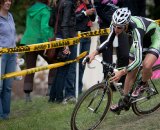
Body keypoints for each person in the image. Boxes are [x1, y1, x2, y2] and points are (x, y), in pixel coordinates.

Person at [86, 8, 160, 114]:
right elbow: (108, 42)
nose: (116, 29)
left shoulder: (136, 29)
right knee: (130, 71)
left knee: (146, 65)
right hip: (139, 41)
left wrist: (121, 72)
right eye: (115, 26)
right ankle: (125, 101)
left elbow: (138, 60)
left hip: (154, 38)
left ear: (126, 24)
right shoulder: (115, 23)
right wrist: (93, 54)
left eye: (119, 27)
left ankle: (143, 84)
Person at [20, 0, 56, 102]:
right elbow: (44, 28)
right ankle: (50, 89)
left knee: (30, 67)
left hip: (28, 41)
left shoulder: (30, 10)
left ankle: (27, 95)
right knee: (54, 62)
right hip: (39, 41)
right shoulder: (45, 10)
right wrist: (48, 44)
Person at [94, 0, 130, 90]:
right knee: (107, 56)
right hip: (106, 26)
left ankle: (121, 80)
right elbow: (98, 10)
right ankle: (108, 84)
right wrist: (112, 21)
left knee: (124, 55)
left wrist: (119, 23)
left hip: (121, 25)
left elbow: (124, 7)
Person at [49, 0, 77, 103]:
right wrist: (66, 44)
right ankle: (59, 99)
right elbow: (65, 24)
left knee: (60, 70)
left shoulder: (57, 2)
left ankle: (53, 97)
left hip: (59, 37)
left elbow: (51, 22)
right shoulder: (69, 3)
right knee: (64, 69)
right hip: (66, 38)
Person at [0, 0, 17, 120]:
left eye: (10, 0)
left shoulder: (10, 16)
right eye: (5, 0)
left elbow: (13, 36)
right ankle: (0, 115)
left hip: (12, 54)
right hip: (1, 55)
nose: (8, 2)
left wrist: (16, 53)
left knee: (8, 86)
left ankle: (6, 114)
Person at [76, 0, 96, 94]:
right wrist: (84, 13)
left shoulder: (88, 3)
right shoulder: (73, 3)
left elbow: (93, 18)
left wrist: (88, 5)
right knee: (74, 65)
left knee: (82, 64)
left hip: (87, 35)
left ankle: (79, 90)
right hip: (76, 35)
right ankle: (72, 91)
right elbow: (72, 19)